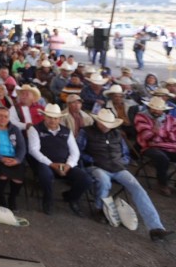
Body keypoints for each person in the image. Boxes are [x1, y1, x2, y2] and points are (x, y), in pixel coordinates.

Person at [79, 109, 173, 241]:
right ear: (98, 121)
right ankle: (99, 209)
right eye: (103, 123)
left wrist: (122, 161)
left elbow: (126, 154)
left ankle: (156, 228)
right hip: (97, 166)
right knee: (103, 180)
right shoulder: (86, 132)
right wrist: (92, 160)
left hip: (118, 167)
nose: (105, 126)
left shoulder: (116, 134)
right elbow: (79, 151)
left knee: (138, 188)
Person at [27, 104, 89, 216]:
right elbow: (33, 150)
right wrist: (51, 164)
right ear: (44, 117)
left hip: (65, 164)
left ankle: (71, 198)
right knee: (45, 176)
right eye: (49, 117)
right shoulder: (35, 129)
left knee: (85, 179)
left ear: (60, 119)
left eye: (55, 118)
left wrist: (68, 165)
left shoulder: (66, 131)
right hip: (45, 163)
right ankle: (48, 200)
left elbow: (75, 152)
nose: (52, 120)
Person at [0, 106, 27, 210]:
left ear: (9, 118)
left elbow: (22, 147)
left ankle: (12, 198)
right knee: (3, 175)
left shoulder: (15, 129)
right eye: (0, 116)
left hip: (14, 158)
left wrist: (17, 160)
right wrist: (0, 158)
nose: (3, 118)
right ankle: (1, 196)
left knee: (18, 179)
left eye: (5, 116)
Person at [134, 96, 176, 196]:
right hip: (148, 146)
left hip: (167, 146)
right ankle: (162, 184)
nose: (156, 111)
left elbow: (174, 137)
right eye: (154, 109)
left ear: (163, 110)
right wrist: (166, 134)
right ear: (149, 108)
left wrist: (159, 133)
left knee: (164, 155)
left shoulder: (171, 119)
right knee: (162, 158)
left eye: (159, 109)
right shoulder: (141, 117)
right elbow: (146, 136)